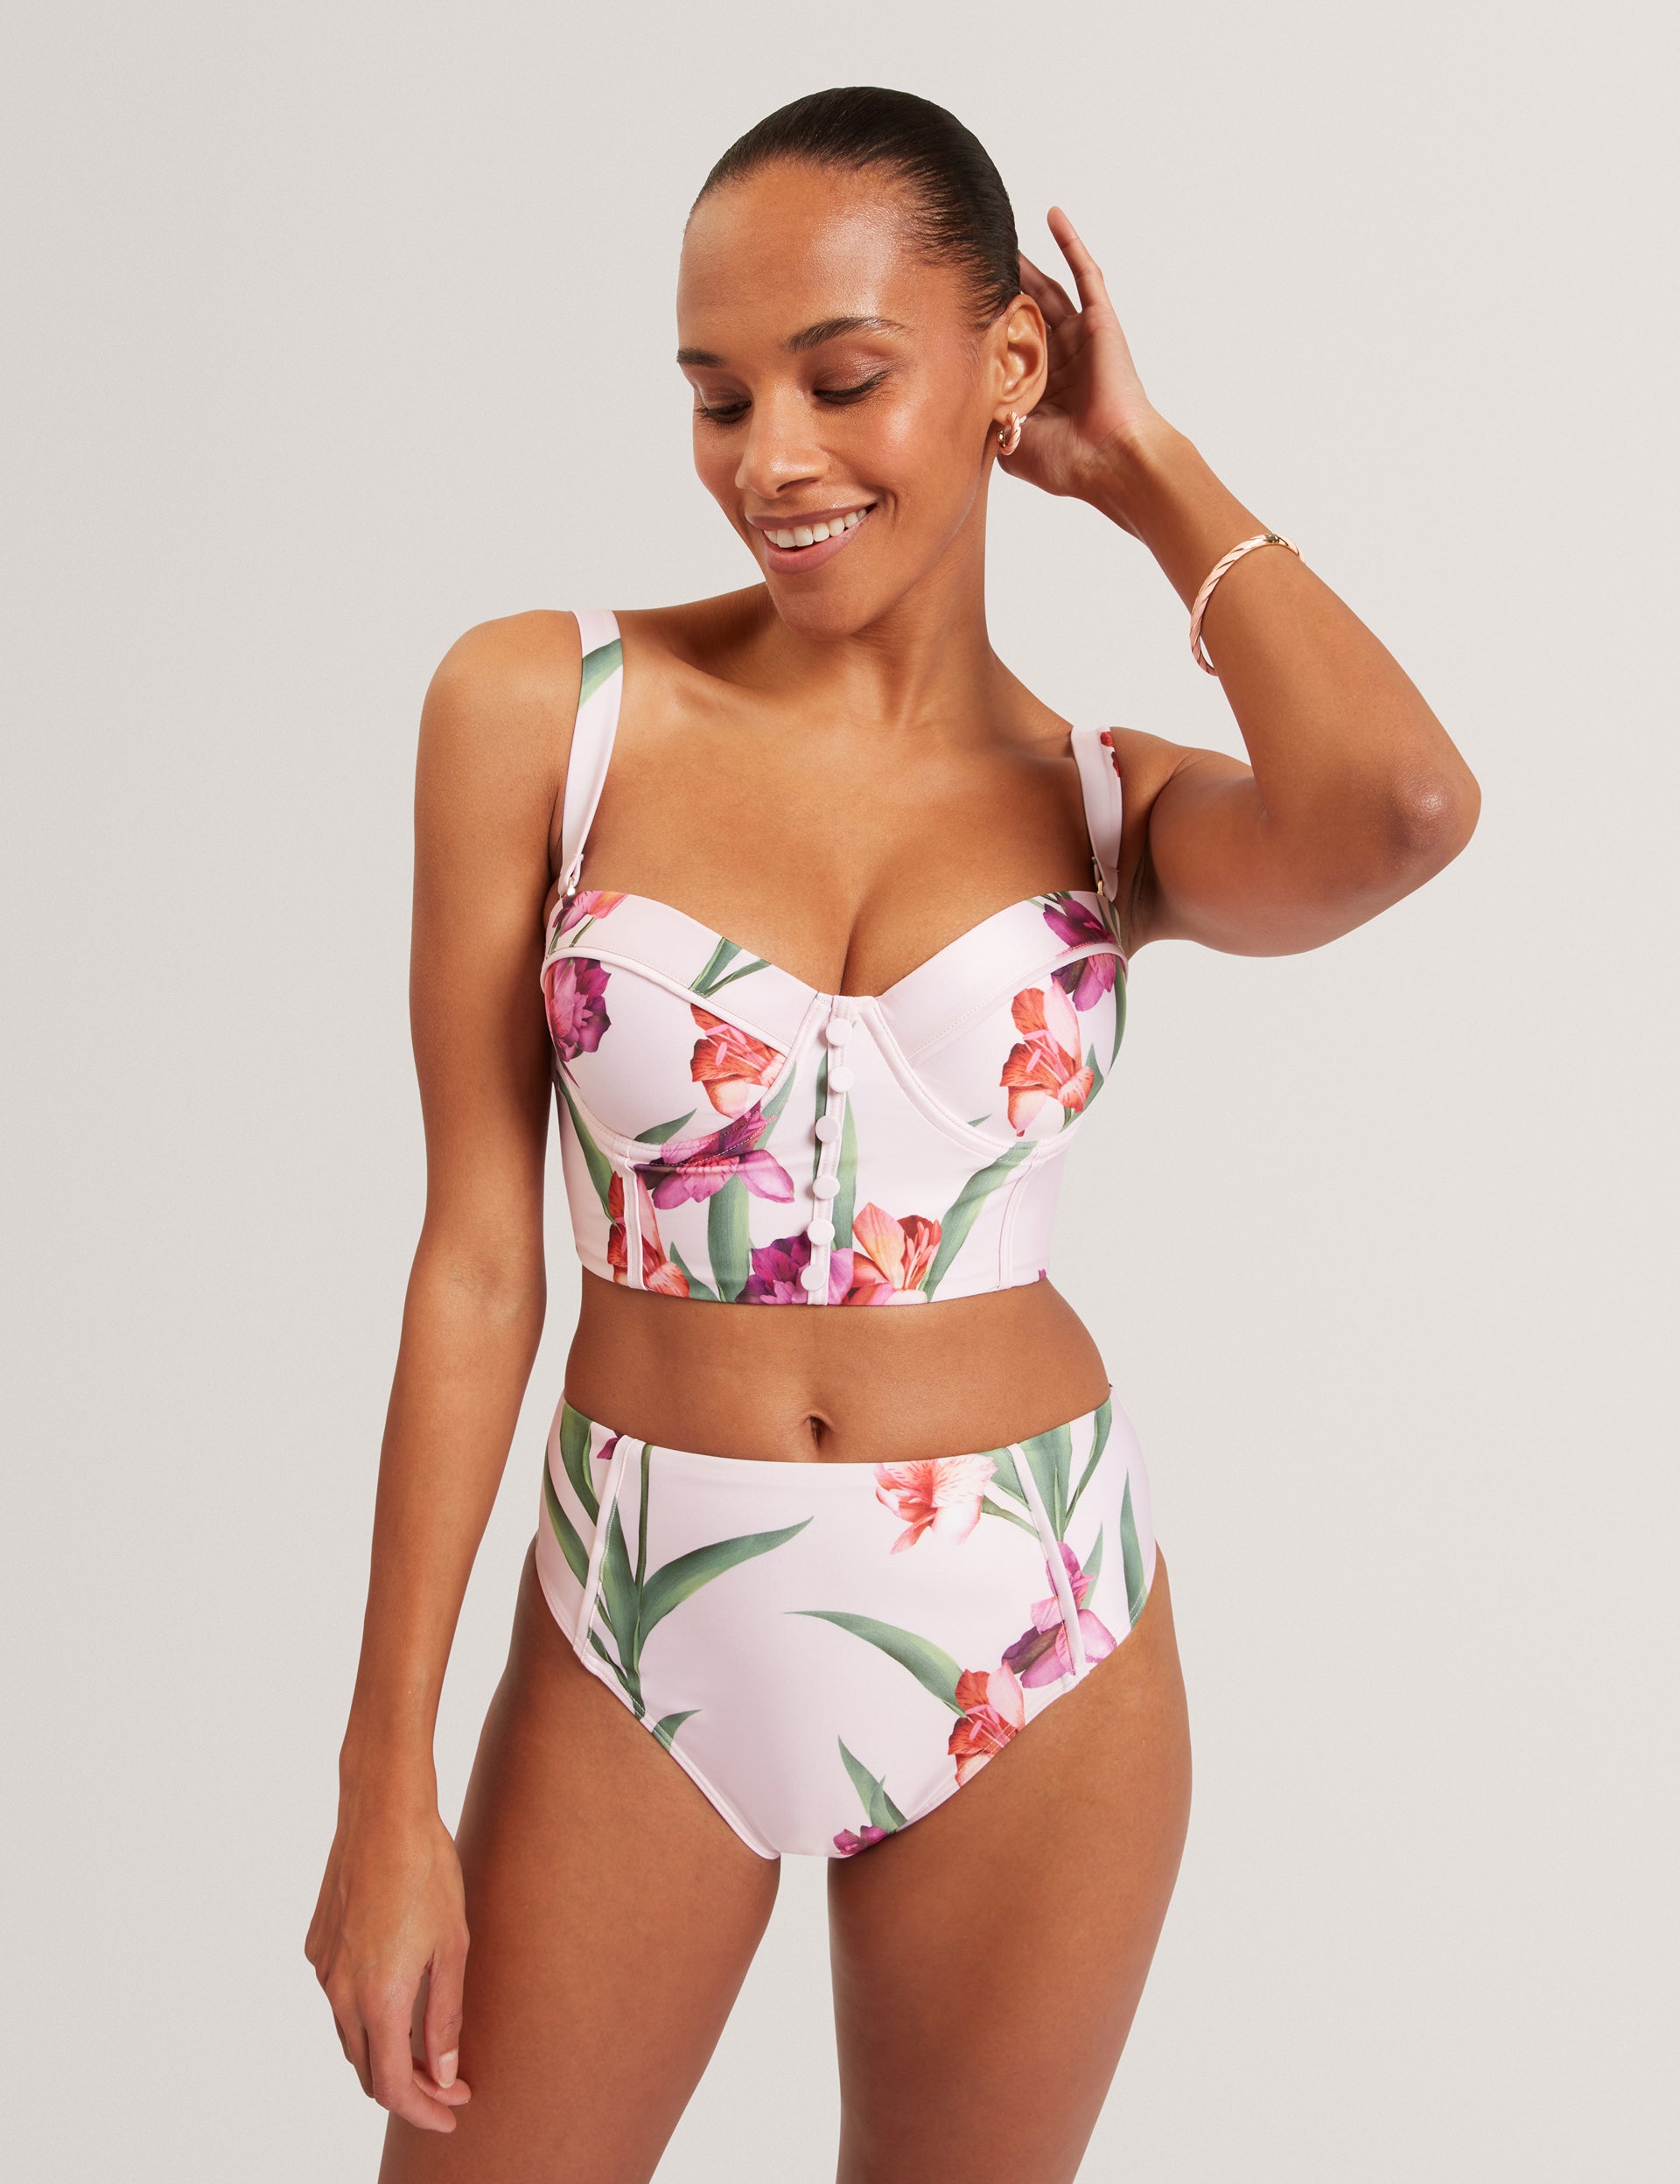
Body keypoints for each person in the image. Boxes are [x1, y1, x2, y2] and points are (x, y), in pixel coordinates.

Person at [305, 85, 1479, 2182]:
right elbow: (477, 1259)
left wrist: (1147, 473)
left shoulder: (1109, 807)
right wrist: (382, 1781)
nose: (771, 458)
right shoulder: (542, 713)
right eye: (717, 395)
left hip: (1037, 1624)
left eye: (842, 381)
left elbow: (1400, 811)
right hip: (641, 1611)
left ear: (1008, 359)